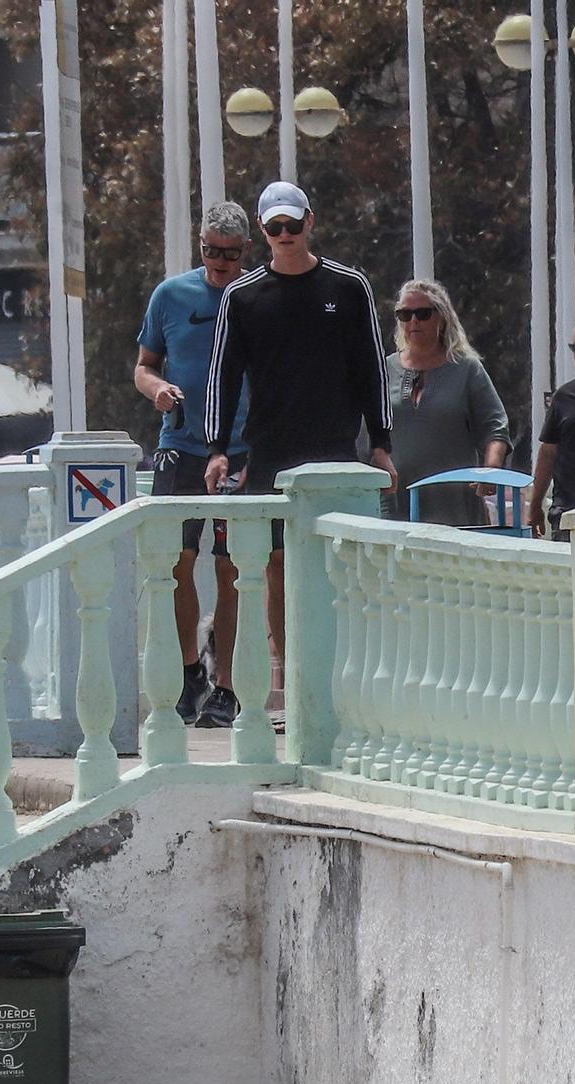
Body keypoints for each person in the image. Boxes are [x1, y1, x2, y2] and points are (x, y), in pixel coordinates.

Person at [204, 180, 397, 667]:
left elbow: (371, 368)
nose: (285, 234)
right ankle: (295, 682)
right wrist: (217, 447)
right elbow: (223, 377)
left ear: (310, 222)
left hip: (334, 447)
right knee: (276, 564)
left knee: (343, 565)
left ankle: (346, 673)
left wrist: (381, 442)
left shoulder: (349, 287)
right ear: (264, 232)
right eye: (275, 227)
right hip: (271, 449)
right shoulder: (242, 296)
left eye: (293, 224)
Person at [135, 200, 252, 728]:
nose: (220, 262)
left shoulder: (255, 295)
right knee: (176, 562)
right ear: (199, 244)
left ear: (244, 252)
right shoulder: (171, 295)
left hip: (243, 447)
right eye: (211, 251)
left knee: (233, 568)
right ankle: (188, 672)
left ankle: (226, 684)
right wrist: (158, 389)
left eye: (229, 254)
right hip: (181, 446)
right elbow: (143, 366)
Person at [383, 278, 509, 526]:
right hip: (396, 501)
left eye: (423, 313)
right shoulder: (384, 369)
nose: (413, 321)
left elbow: (495, 426)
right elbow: (369, 436)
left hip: (455, 501)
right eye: (405, 315)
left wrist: (490, 470)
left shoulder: (466, 369)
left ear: (441, 318)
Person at [528, 315, 575, 540]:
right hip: (568, 512)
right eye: (574, 348)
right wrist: (535, 505)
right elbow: (548, 453)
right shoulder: (563, 397)